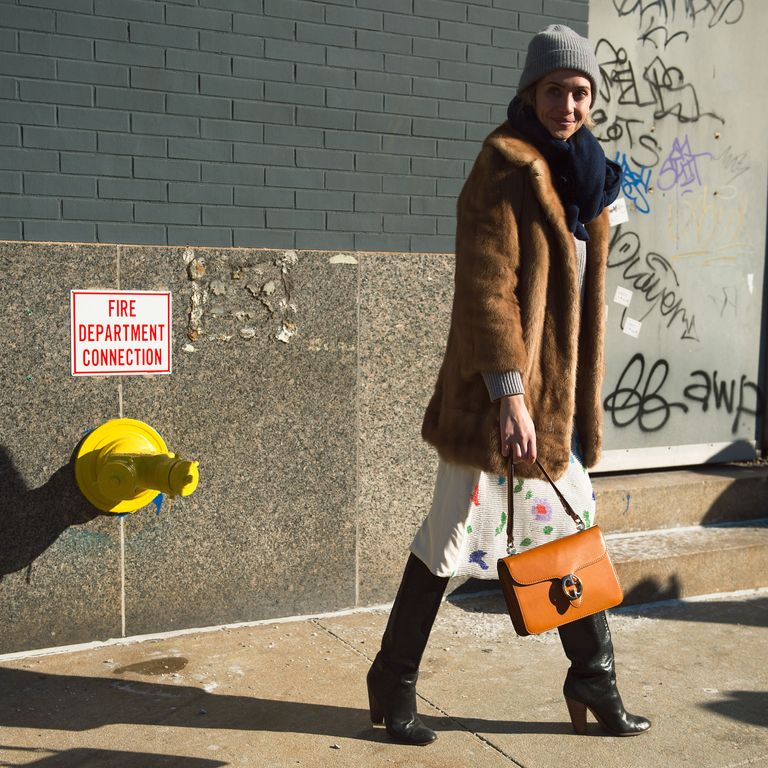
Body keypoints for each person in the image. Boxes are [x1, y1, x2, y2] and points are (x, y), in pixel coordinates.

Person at [366, 25, 651, 745]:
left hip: (553, 398)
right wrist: (510, 393)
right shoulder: (503, 163)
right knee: (453, 536)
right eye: (556, 90)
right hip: (497, 398)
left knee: (575, 524)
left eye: (581, 91)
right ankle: (392, 678)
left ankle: (594, 679)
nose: (569, 104)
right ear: (530, 92)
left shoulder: (586, 170)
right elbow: (486, 287)